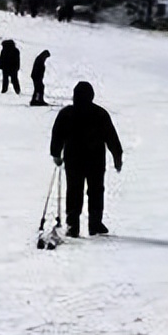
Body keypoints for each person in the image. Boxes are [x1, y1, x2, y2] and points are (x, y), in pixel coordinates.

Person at [49, 81, 123, 238]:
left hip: (73, 160)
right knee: (96, 191)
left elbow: (57, 135)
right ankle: (95, 224)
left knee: (74, 191)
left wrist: (56, 154)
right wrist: (117, 157)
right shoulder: (100, 114)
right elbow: (111, 137)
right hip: (95, 161)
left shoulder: (67, 114)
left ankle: (72, 225)